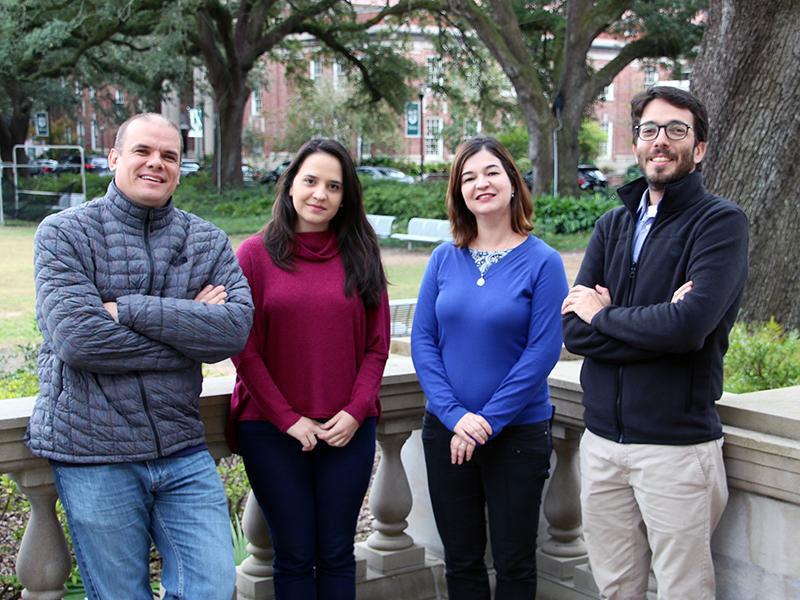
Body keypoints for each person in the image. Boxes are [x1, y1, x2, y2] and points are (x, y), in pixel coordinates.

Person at [25, 113, 254, 598]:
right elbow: (79, 341)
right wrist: (187, 327)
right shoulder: (64, 234)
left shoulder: (206, 240)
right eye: (143, 152)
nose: (157, 163)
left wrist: (127, 309)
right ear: (114, 159)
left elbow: (233, 331)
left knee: (211, 588)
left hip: (182, 447)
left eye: (169, 156)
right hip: (93, 453)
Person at [561, 86, 749, 599]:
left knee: (682, 590)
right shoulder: (612, 224)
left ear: (700, 147)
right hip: (601, 443)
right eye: (649, 129)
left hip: (676, 449)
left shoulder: (721, 223)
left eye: (676, 130)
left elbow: (689, 328)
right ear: (637, 142)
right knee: (616, 589)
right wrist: (653, 323)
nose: (660, 140)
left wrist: (606, 314)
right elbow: (572, 331)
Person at [229, 138, 390, 600]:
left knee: (338, 552)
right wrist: (288, 419)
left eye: (334, 186)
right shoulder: (255, 256)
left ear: (346, 196)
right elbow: (244, 347)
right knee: (295, 556)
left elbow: (377, 347)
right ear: (291, 186)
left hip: (347, 430)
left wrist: (357, 411)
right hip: (272, 431)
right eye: (311, 181)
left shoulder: (361, 252)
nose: (320, 194)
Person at [411, 137, 568, 599]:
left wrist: (484, 422)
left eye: (492, 172)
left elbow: (542, 351)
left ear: (513, 183)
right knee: (460, 562)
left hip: (517, 434)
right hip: (446, 433)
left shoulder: (543, 262)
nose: (481, 183)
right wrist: (456, 416)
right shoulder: (443, 258)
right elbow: (423, 343)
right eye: (469, 177)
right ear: (459, 193)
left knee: (515, 562)